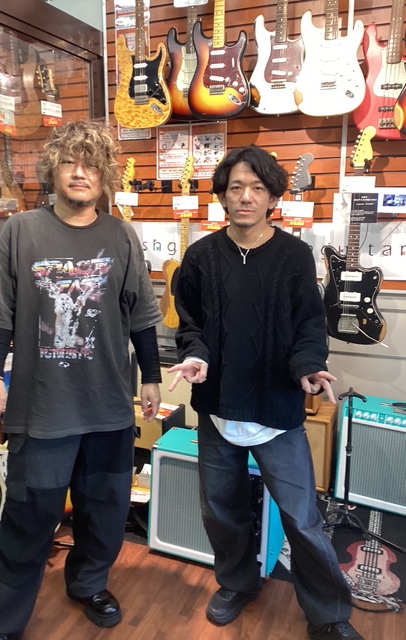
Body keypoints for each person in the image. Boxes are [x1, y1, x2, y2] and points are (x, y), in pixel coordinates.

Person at [0, 120, 162, 640]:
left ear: (105, 175)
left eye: (91, 164)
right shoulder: (21, 232)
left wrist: (151, 377)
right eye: (70, 162)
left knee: (104, 514)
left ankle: (88, 584)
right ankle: (3, 623)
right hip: (41, 410)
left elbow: (142, 314)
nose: (80, 172)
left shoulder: (121, 236)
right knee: (28, 521)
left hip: (108, 408)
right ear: (53, 169)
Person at [167, 146, 363, 640]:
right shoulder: (200, 257)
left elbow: (308, 327)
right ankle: (237, 583)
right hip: (218, 407)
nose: (246, 197)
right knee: (221, 510)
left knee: (302, 517)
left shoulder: (294, 256)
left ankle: (328, 614)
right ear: (222, 196)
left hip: (276, 409)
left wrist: (308, 367)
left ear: (274, 196)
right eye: (235, 187)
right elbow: (189, 324)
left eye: (257, 188)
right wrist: (195, 355)